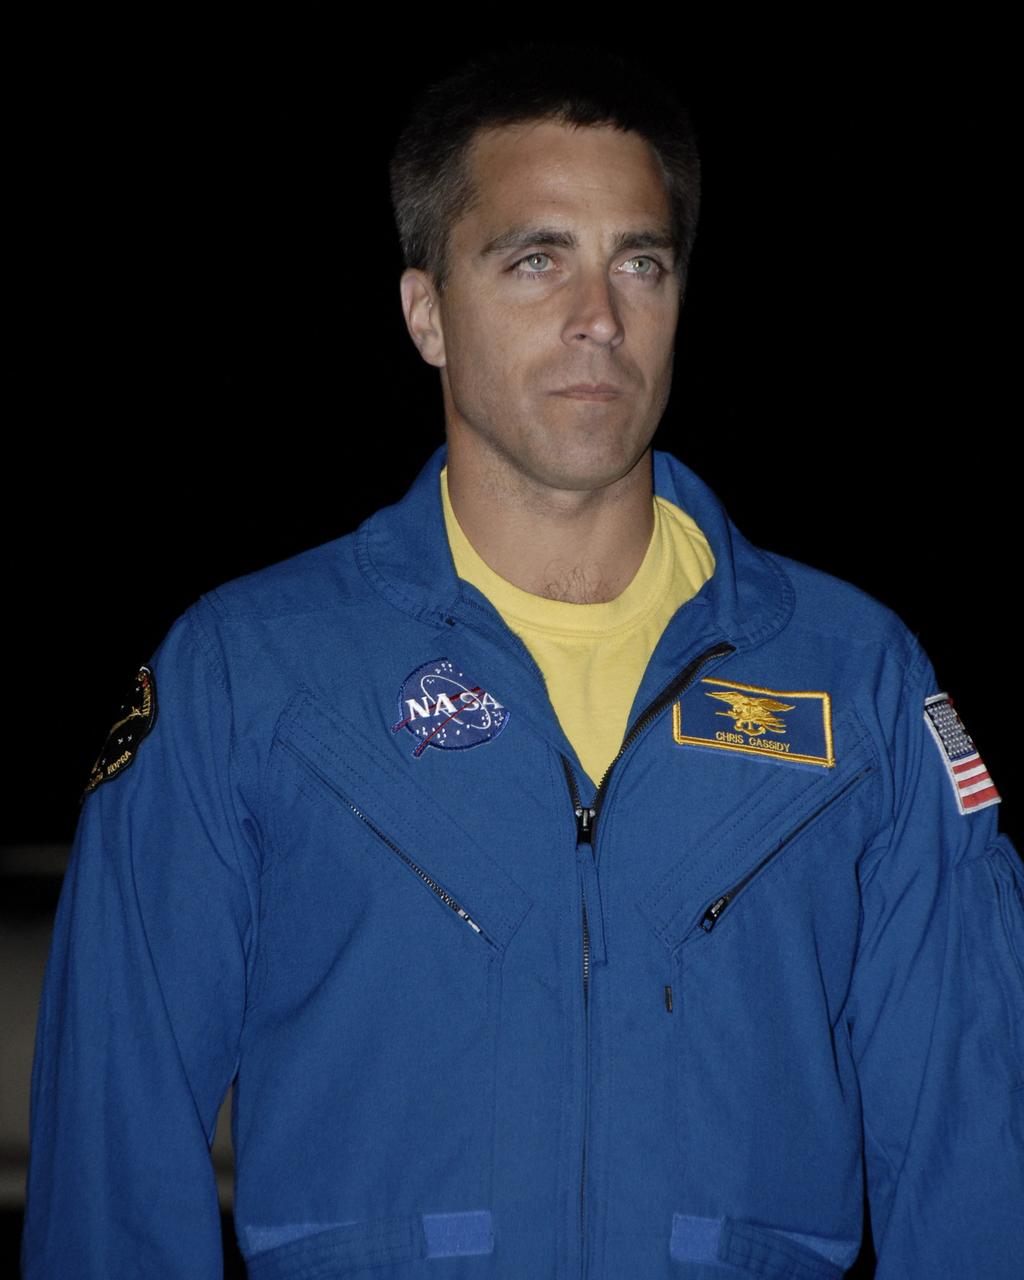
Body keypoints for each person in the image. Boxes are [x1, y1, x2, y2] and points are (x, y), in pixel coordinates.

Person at [22, 46, 1023, 1280]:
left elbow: (974, 1155)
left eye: (639, 263)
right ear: (426, 311)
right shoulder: (249, 674)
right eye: (535, 258)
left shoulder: (854, 677)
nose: (598, 315)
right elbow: (114, 1151)